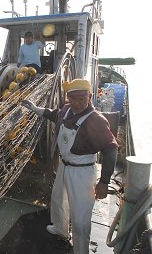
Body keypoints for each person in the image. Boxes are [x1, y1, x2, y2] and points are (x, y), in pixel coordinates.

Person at [21, 79, 118, 254]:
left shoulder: (96, 120)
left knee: (80, 218)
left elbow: (111, 149)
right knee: (58, 201)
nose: (77, 103)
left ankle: (81, 249)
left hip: (83, 172)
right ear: (68, 97)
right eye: (72, 98)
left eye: (82, 99)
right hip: (64, 165)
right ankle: (61, 229)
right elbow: (54, 114)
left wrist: (104, 181)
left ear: (89, 96)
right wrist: (36, 109)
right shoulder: (66, 110)